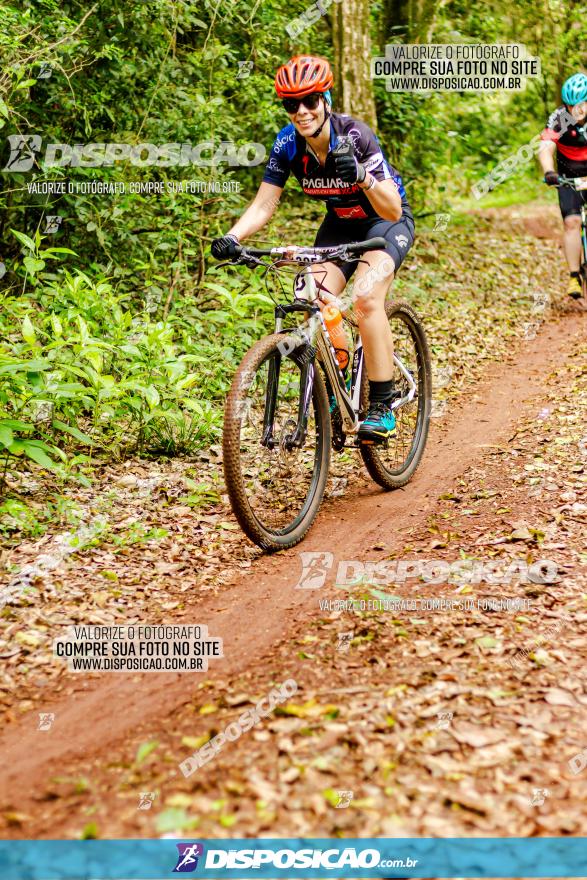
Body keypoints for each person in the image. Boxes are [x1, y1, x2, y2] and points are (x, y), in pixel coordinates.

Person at [210, 55, 415, 443]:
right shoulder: (288, 144)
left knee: (367, 298)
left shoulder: (355, 135)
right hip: (339, 226)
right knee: (309, 294)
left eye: (310, 101)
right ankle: (340, 385)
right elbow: (264, 203)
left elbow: (390, 206)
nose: (301, 112)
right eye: (291, 104)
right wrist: (234, 237)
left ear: (326, 100)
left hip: (385, 223)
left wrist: (361, 176)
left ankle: (382, 406)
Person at [540, 71, 587, 299]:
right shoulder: (559, 117)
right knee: (572, 222)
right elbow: (546, 146)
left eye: (579, 106)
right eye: (570, 106)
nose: (573, 111)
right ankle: (573, 276)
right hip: (568, 175)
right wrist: (549, 171)